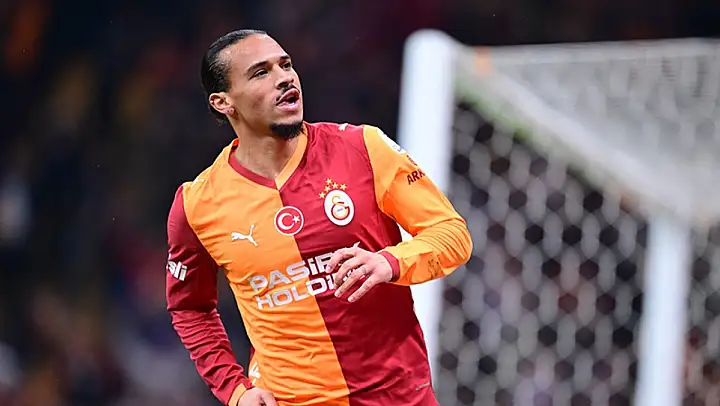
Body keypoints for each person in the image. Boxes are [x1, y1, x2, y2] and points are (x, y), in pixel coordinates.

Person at [165, 29, 472, 406]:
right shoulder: (196, 204)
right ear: (223, 102)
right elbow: (190, 307)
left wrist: (390, 261)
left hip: (399, 395)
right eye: (261, 72)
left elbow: (452, 234)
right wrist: (234, 389)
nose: (284, 78)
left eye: (286, 65)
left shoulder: (363, 148)